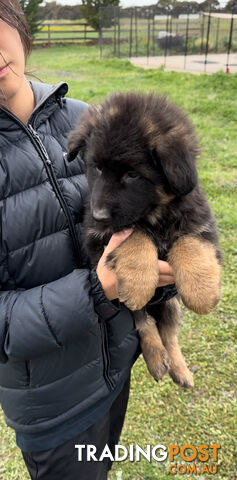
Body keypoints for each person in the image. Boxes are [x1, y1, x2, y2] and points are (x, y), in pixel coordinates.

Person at [0, 1, 176, 479]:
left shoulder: (86, 119)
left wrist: (166, 271)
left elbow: (156, 209)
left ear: (16, 24)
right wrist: (97, 290)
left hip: (116, 370)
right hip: (52, 409)